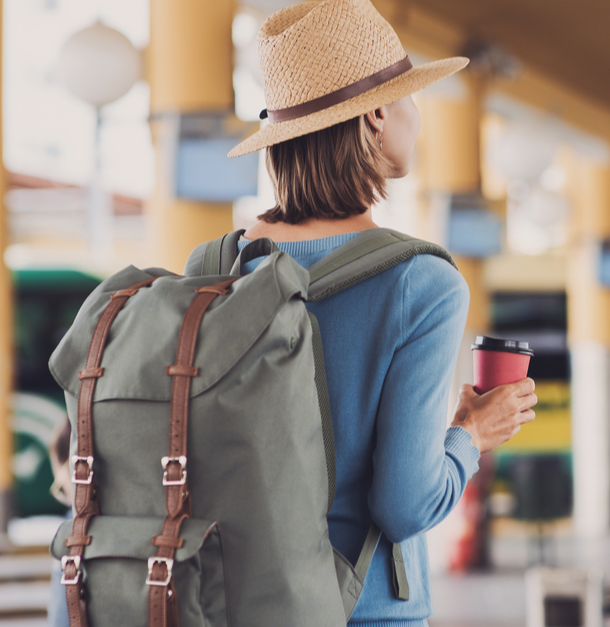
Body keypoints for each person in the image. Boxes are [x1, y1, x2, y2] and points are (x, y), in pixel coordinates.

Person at [170, 2, 535, 625]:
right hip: (361, 611)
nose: (416, 117)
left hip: (222, 606)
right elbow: (403, 504)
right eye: (410, 98)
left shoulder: (211, 266)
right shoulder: (420, 282)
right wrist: (472, 435)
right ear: (375, 115)